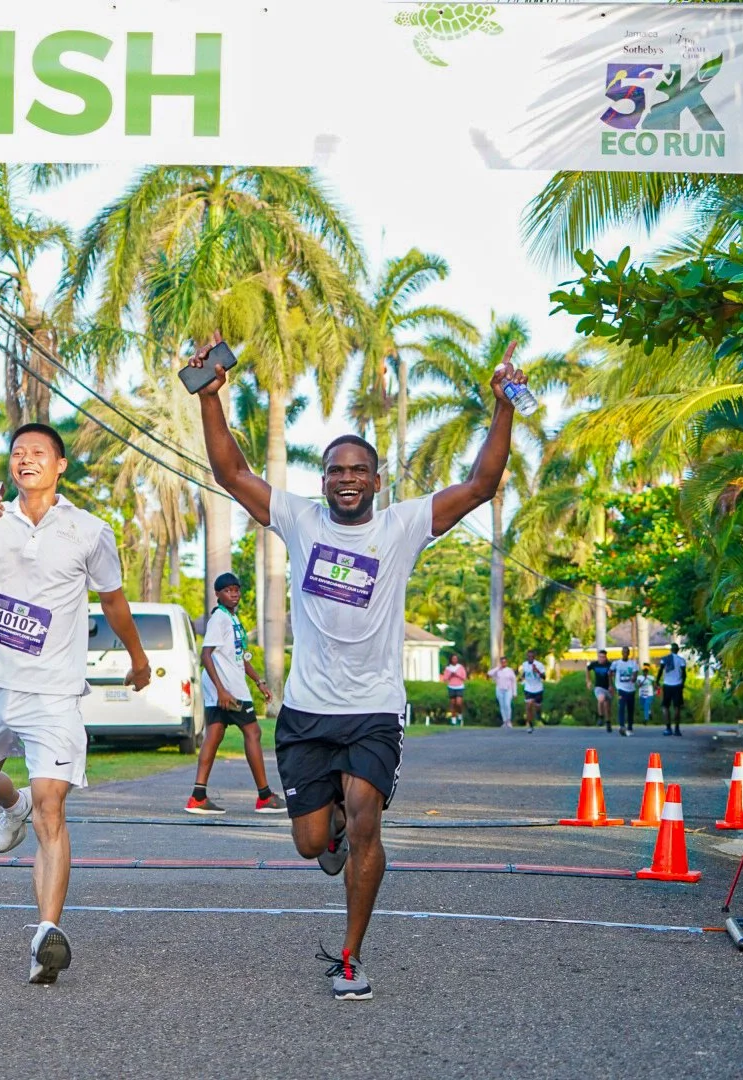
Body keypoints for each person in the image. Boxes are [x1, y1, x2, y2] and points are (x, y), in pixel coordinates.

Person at [190, 335, 527, 1000]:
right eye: (335, 470)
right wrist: (210, 399)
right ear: (324, 481)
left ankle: (349, 955)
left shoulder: (402, 525)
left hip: (373, 708)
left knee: (368, 812)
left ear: (376, 480)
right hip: (308, 711)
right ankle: (333, 829)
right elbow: (231, 474)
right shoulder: (298, 517)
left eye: (357, 470)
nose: (346, 478)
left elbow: (483, 484)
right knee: (311, 842)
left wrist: (504, 404)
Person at [0, 423, 151, 983]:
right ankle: (11, 803)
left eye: (37, 453)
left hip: (53, 690)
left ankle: (46, 935)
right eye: (17, 453)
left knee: (54, 806)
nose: (25, 460)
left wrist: (138, 657)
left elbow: (115, 601)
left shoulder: (88, 530)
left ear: (60, 466)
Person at [187, 572, 284, 815]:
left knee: (215, 734)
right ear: (218, 594)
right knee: (253, 731)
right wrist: (221, 690)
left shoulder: (233, 618)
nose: (235, 594)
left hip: (228, 686)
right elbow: (206, 654)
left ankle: (198, 796)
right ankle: (264, 796)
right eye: (228, 591)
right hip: (228, 689)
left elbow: (239, 657)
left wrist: (259, 681)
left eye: (237, 590)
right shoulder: (219, 618)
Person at [659, 643, 688, 735]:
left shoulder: (665, 659)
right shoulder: (681, 660)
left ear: (671, 649)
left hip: (667, 685)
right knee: (677, 707)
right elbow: (684, 674)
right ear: (678, 650)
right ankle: (677, 729)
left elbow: (660, 670)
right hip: (677, 685)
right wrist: (682, 684)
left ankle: (668, 728)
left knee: (665, 707)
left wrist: (657, 681)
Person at [612, 646, 639, 736]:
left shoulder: (633, 663)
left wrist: (633, 678)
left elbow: (635, 674)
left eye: (627, 652)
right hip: (621, 689)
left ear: (629, 653)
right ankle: (622, 726)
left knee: (630, 709)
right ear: (621, 653)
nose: (625, 654)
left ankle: (630, 727)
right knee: (621, 707)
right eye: (623, 652)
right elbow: (610, 673)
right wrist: (610, 685)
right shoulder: (617, 663)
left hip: (631, 689)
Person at [518, 651, 546, 731]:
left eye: (531, 657)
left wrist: (537, 671)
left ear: (534, 657)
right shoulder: (524, 664)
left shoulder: (539, 665)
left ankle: (538, 717)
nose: (530, 658)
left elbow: (544, 677)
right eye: (528, 657)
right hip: (528, 688)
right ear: (527, 657)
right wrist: (521, 678)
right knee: (528, 705)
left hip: (538, 689)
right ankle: (530, 724)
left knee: (537, 707)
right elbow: (525, 673)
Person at [586, 649, 613, 731]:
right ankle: (600, 717)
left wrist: (611, 686)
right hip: (599, 687)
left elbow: (613, 675)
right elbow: (587, 669)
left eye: (603, 657)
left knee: (607, 707)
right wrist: (588, 681)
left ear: (606, 657)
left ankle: (608, 722)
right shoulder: (594, 664)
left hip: (608, 688)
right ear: (598, 657)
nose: (601, 659)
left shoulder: (609, 665)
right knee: (601, 699)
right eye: (600, 657)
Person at [486, 657, 516, 728]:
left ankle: (509, 721)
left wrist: (514, 692)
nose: (503, 663)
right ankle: (504, 721)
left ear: (506, 662)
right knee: (502, 706)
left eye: (504, 662)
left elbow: (514, 681)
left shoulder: (510, 670)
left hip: (508, 690)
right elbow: (489, 673)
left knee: (507, 705)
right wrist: (497, 668)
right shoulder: (497, 671)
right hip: (500, 689)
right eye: (502, 662)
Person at [442, 654, 468, 725]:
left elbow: (464, 677)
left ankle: (460, 714)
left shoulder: (460, 667)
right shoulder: (448, 668)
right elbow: (445, 679)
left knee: (458, 703)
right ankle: (453, 719)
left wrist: (457, 675)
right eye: (453, 659)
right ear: (451, 660)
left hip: (459, 686)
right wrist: (450, 675)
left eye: (456, 659)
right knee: (452, 703)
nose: (454, 660)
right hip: (451, 687)